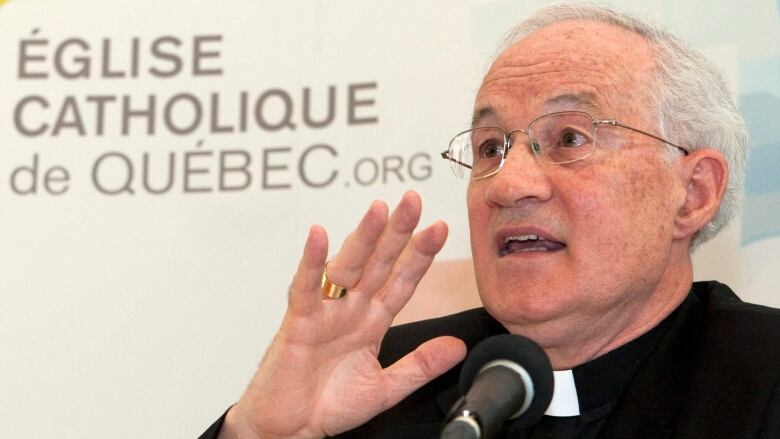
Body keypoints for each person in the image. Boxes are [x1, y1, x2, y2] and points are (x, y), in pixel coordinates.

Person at [202, 3, 780, 438]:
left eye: (570, 138)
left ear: (692, 192)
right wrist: (258, 434)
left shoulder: (762, 377)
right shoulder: (387, 381)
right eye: (489, 148)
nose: (508, 185)